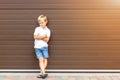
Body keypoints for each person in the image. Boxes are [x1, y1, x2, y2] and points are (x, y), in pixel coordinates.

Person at [33, 15, 51, 79]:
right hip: (37, 47)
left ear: (46, 22)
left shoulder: (48, 30)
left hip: (44, 47)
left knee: (45, 59)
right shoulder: (37, 29)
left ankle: (41, 73)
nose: (41, 24)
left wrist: (39, 37)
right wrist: (43, 36)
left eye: (42, 22)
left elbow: (47, 40)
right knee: (41, 60)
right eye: (40, 23)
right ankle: (44, 73)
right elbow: (35, 37)